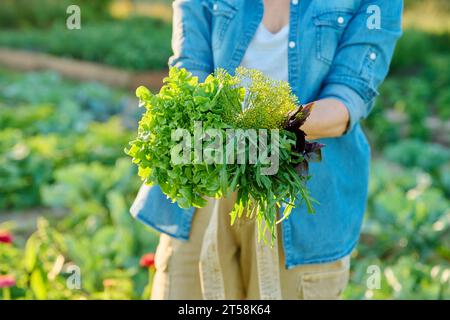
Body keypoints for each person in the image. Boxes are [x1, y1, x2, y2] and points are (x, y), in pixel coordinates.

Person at [130, 0, 403, 299]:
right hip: (207, 181)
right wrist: (222, 135)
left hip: (301, 195)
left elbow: (348, 96)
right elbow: (189, 67)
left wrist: (266, 129)